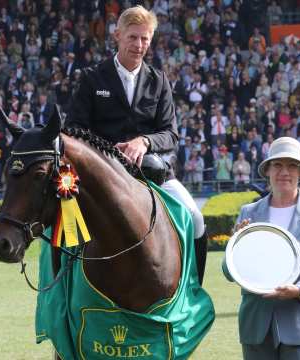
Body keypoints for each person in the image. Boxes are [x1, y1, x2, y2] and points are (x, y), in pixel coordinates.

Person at [67, 6, 207, 283]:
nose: (139, 45)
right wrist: (107, 151)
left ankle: (193, 290)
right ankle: (62, 294)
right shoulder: (91, 78)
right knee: (66, 223)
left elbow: (171, 134)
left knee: (196, 219)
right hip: (100, 175)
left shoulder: (159, 80)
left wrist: (143, 141)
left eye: (145, 39)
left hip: (151, 173)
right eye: (133, 37)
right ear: (117, 35)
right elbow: (73, 130)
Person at [223, 137, 300, 360]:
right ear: (267, 170)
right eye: (277, 165)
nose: (284, 171)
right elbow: (229, 272)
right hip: (256, 329)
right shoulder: (248, 213)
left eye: (292, 165)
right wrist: (235, 245)